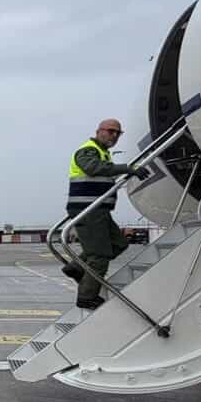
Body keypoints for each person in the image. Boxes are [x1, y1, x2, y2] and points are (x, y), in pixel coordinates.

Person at [62, 119, 148, 309]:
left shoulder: (103, 154)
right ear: (99, 131)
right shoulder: (88, 150)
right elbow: (92, 168)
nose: (114, 136)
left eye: (118, 133)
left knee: (119, 243)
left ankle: (76, 268)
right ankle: (86, 297)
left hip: (99, 210)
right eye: (110, 131)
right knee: (99, 255)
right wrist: (127, 168)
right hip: (88, 210)